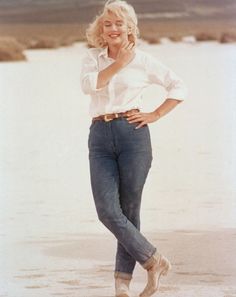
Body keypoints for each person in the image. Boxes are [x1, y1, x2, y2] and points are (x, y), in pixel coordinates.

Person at [80, 1, 187, 296]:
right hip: (99, 136)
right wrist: (118, 64)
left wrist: (154, 114)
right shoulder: (92, 58)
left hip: (133, 135)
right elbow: (90, 86)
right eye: (107, 23)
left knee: (128, 210)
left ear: (130, 28)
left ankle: (122, 286)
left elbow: (178, 87)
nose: (113, 29)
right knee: (107, 211)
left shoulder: (145, 60)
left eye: (119, 24)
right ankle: (153, 260)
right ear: (101, 29)